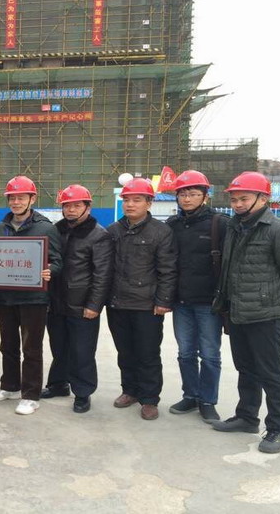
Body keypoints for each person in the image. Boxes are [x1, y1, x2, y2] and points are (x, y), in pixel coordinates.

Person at [211, 171, 280, 454]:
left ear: (263, 198)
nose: (238, 204)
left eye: (244, 198)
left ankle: (278, 429)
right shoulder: (234, 227)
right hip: (238, 312)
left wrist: (278, 304)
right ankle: (246, 417)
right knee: (246, 368)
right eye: (234, 199)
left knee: (271, 373)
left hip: (267, 316)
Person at [0, 176, 62, 415]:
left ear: (32, 199)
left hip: (33, 299)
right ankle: (9, 386)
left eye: (21, 197)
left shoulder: (46, 228)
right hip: (6, 297)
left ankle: (30, 395)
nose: (16, 202)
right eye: (12, 198)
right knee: (8, 345)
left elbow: (57, 261)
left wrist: (50, 271)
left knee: (31, 348)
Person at [106, 177, 176, 421]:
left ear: (149, 203)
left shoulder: (161, 232)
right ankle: (130, 391)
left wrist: (163, 301)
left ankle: (149, 399)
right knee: (124, 351)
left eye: (137, 200)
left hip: (147, 305)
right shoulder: (113, 231)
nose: (130, 205)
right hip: (117, 302)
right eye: (126, 200)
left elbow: (168, 269)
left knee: (147, 354)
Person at [41, 185, 113, 413]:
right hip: (56, 301)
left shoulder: (98, 235)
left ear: (87, 207)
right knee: (59, 347)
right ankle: (58, 384)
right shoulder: (56, 230)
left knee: (82, 351)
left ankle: (83, 392)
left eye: (76, 205)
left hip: (82, 304)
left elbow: (102, 274)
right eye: (67, 205)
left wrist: (94, 305)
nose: (71, 209)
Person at [165, 170, 229, 423]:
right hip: (181, 302)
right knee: (186, 353)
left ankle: (208, 401)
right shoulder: (172, 225)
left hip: (208, 303)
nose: (187, 199)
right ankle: (190, 395)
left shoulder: (219, 224)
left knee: (210, 354)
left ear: (205, 196)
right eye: (182, 194)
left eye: (192, 194)